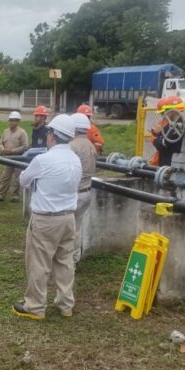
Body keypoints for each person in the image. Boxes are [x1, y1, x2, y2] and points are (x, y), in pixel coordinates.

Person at [12, 114, 82, 320]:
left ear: (52, 135)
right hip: (68, 218)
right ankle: (66, 304)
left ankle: (35, 306)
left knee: (39, 263)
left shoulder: (43, 159)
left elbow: (24, 180)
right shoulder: (75, 160)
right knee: (65, 262)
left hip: (46, 220)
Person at [70, 113, 98, 264]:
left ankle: (67, 260)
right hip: (86, 191)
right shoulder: (90, 145)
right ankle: (75, 257)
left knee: (68, 228)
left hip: (74, 192)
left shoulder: (72, 146)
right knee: (77, 227)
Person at [0, 111, 29, 202]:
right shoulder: (6, 131)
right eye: (10, 120)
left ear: (18, 122)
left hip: (18, 158)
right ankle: (0, 195)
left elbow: (25, 146)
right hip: (7, 159)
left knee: (18, 178)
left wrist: (12, 151)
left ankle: (15, 196)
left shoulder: (22, 132)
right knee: (5, 177)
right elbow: (0, 143)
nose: (11, 122)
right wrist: (2, 149)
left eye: (13, 120)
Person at [150, 96, 185, 167]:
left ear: (171, 112)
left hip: (170, 166)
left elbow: (162, 144)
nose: (162, 115)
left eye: (163, 113)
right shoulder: (178, 125)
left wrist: (154, 139)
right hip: (171, 163)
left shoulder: (175, 128)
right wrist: (157, 133)